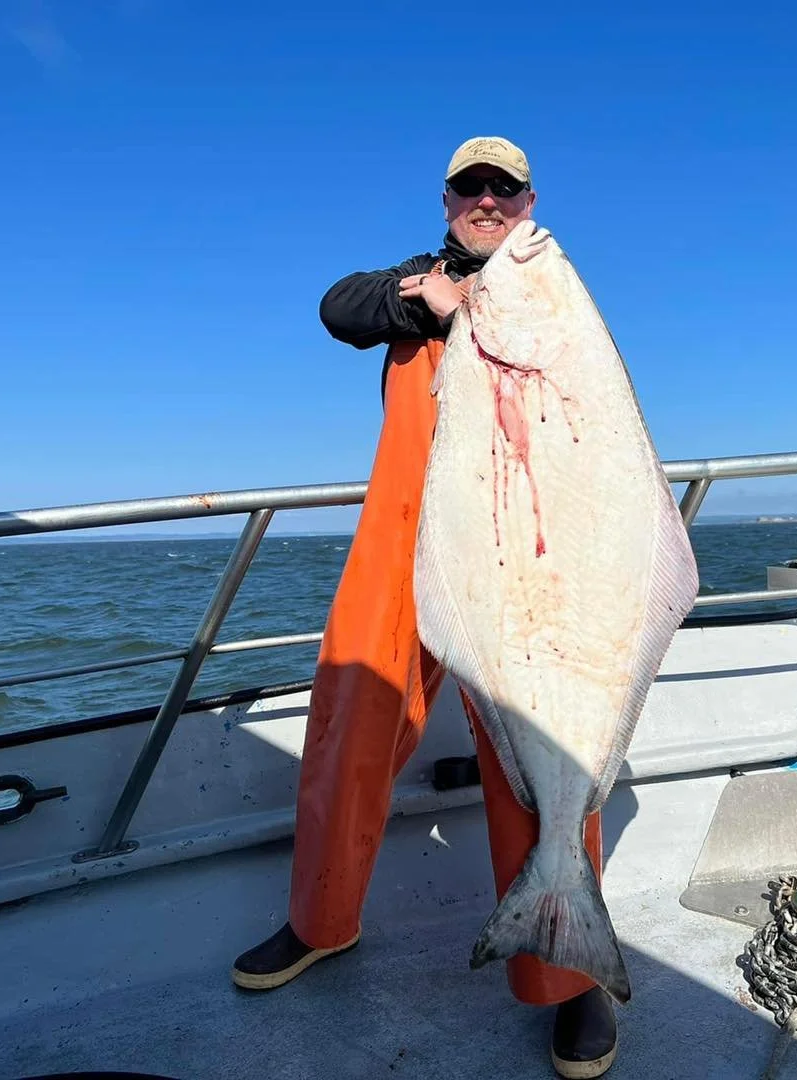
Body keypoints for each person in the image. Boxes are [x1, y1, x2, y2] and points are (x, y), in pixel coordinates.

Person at [230, 136, 620, 1079]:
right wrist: (433, 297)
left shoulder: (550, 285)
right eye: (470, 188)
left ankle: (573, 972)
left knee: (540, 743)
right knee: (350, 721)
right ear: (447, 201)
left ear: (530, 203)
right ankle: (321, 921)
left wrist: (481, 308)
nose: (489, 202)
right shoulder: (415, 277)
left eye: (506, 190)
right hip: (405, 535)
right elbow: (337, 308)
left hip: (515, 548)